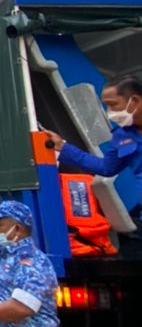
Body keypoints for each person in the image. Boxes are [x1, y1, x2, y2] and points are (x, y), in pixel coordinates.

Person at [44, 75, 142, 247]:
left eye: (113, 104)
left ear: (134, 101)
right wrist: (63, 147)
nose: (110, 112)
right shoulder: (123, 136)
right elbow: (106, 167)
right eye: (106, 106)